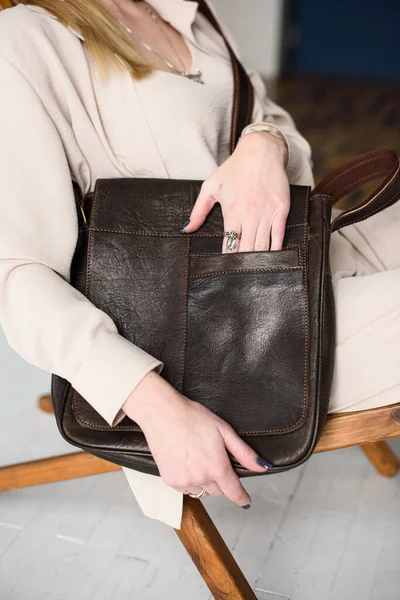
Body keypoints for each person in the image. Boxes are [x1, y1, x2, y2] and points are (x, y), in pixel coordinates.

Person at [0, 0, 399, 529]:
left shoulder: (191, 14)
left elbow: (275, 124)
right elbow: (17, 274)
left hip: (302, 253)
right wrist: (157, 407)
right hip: (227, 340)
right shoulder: (24, 40)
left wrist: (263, 143)